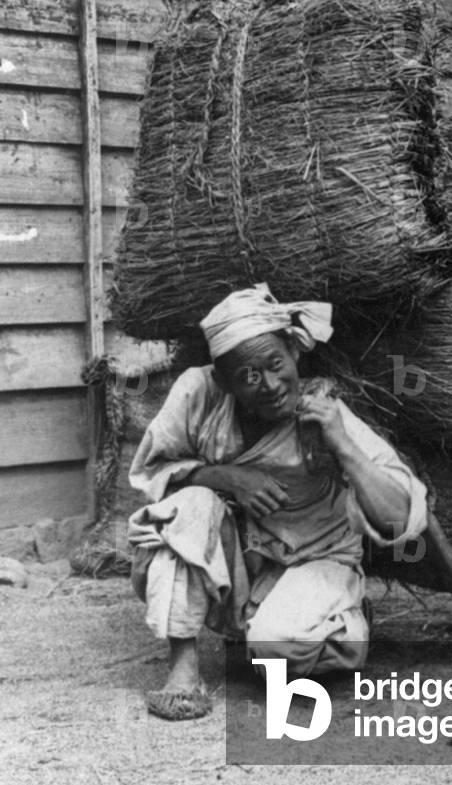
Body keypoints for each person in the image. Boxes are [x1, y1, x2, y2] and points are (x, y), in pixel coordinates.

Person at [127, 283, 428, 720]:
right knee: (185, 506)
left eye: (275, 364)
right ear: (224, 380)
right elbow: (154, 474)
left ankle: (343, 622)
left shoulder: (322, 413)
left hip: (316, 558)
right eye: (248, 375)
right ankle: (183, 672)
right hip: (243, 563)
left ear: (294, 353)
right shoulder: (200, 394)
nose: (268, 385)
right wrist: (228, 477)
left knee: (272, 649)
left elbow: (400, 519)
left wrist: (341, 445)